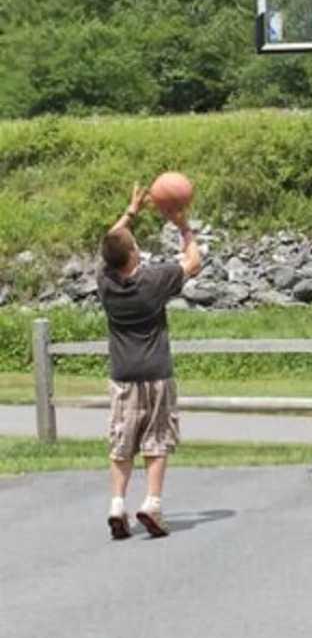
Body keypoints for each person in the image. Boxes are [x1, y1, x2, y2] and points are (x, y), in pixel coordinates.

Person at [97, 183, 201, 539]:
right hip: (156, 371)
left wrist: (131, 212)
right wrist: (184, 227)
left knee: (122, 440)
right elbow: (193, 263)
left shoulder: (105, 281)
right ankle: (152, 503)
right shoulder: (154, 281)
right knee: (156, 439)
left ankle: (116, 504)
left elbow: (111, 240)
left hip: (122, 374)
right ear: (134, 255)